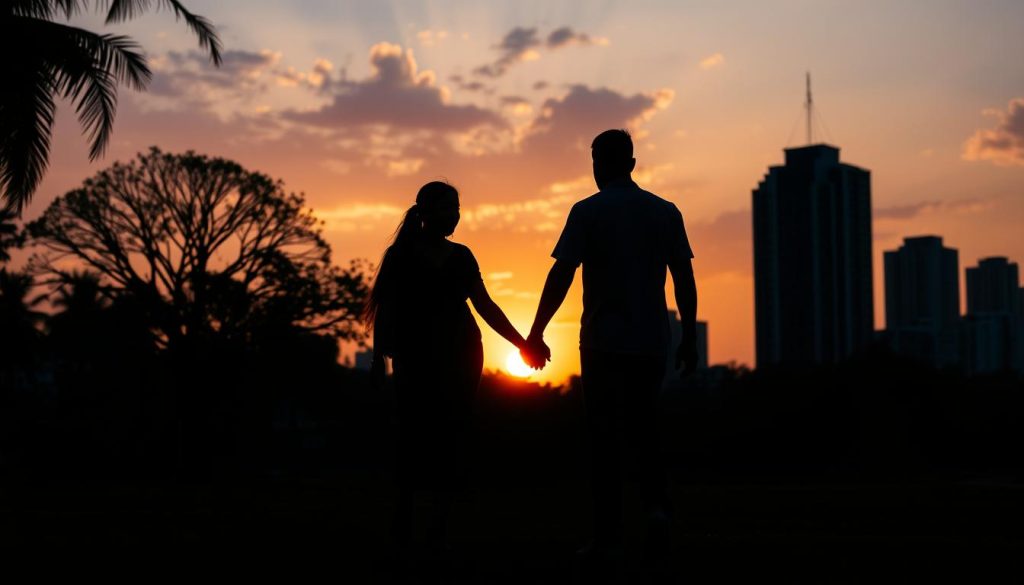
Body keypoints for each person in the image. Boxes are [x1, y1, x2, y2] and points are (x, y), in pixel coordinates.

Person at [523, 129, 699, 573]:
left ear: (598, 164)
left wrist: (537, 330)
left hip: (602, 341)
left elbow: (561, 274)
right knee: (645, 429)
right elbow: (684, 279)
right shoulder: (665, 211)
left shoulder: (588, 211)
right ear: (633, 164)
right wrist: (690, 338)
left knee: (603, 439)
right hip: (651, 341)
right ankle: (657, 512)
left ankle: (608, 539)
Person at [364, 180, 530, 557]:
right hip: (415, 358)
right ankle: (404, 522)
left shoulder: (462, 256)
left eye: (457, 208)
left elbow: (485, 306)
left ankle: (437, 529)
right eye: (446, 208)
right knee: (412, 436)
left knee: (450, 438)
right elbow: (385, 309)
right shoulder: (400, 256)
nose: (454, 215)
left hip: (461, 356)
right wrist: (379, 358)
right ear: (424, 212)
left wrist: (522, 343)